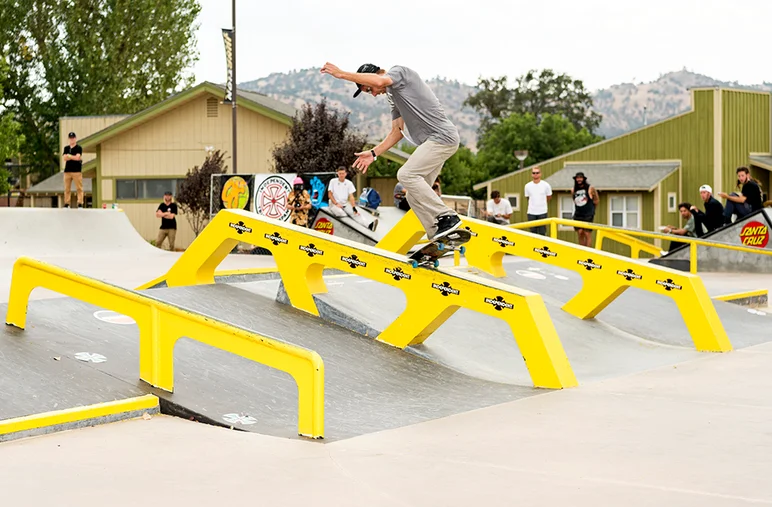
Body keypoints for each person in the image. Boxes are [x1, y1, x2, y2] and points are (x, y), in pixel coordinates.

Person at [320, 62, 462, 241]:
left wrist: (342, 74)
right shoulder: (393, 97)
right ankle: (439, 234)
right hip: (432, 143)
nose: (372, 94)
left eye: (368, 89)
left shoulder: (399, 72)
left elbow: (380, 82)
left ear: (374, 76)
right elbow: (397, 131)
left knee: (406, 175)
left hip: (441, 137)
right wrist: (373, 153)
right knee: (412, 195)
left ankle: (447, 216)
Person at [327, 166, 377, 231]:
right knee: (341, 213)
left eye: (343, 173)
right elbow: (330, 195)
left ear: (345, 174)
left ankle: (369, 225)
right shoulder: (333, 181)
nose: (341, 175)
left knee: (355, 214)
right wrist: (336, 203)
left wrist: (354, 208)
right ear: (337, 174)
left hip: (344, 204)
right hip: (334, 203)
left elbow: (351, 197)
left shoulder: (349, 183)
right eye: (340, 174)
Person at [571, 171, 599, 247]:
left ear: (583, 179)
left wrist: (592, 210)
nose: (579, 179)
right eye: (577, 178)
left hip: (588, 214)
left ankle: (588, 250)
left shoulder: (590, 188)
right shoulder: (573, 190)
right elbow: (575, 201)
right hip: (578, 213)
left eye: (580, 178)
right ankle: (581, 249)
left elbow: (596, 200)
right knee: (580, 232)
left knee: (587, 233)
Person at [524, 165, 552, 235]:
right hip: (531, 212)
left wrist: (542, 203)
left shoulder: (546, 185)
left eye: (537, 173)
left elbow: (549, 196)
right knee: (532, 232)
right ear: (531, 174)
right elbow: (528, 197)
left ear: (540, 174)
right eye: (534, 173)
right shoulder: (527, 186)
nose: (535, 174)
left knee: (542, 232)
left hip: (542, 211)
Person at [62, 131, 84, 208]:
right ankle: (67, 203)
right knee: (67, 188)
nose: (72, 139)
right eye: (70, 138)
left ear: (75, 138)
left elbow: (78, 157)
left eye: (73, 138)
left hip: (77, 171)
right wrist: (71, 157)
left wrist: (69, 156)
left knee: (79, 188)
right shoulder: (66, 148)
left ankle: (80, 203)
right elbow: (64, 158)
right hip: (67, 171)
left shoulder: (79, 148)